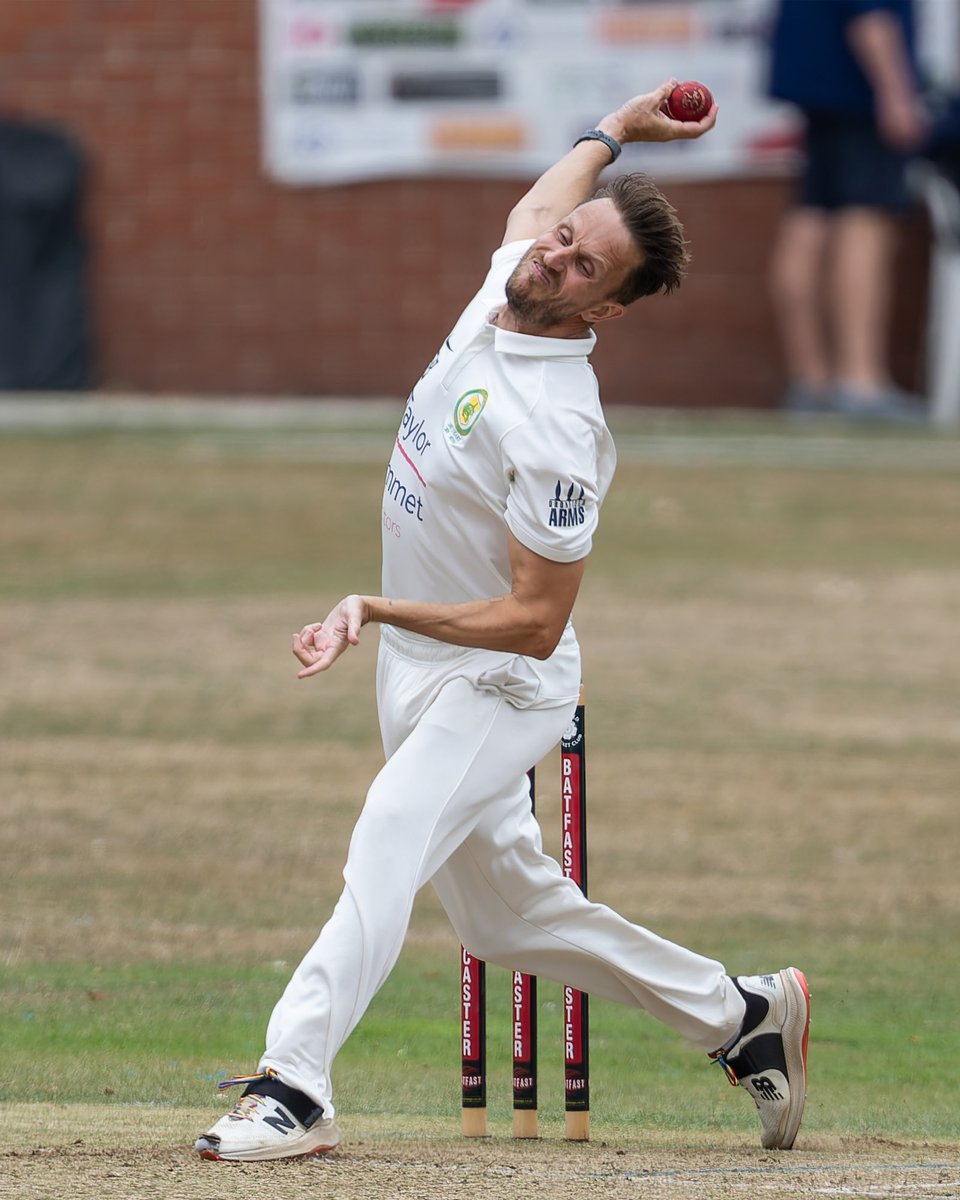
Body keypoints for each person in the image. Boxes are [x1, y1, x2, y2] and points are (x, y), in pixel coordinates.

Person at [196, 80, 810, 1164]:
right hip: (422, 667)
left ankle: (294, 1084)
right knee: (502, 918)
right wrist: (616, 127)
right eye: (562, 242)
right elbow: (546, 204)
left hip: (503, 682)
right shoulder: (513, 273)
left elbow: (534, 623)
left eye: (582, 268)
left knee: (389, 834)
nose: (552, 261)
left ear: (604, 311)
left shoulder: (560, 427)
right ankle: (740, 1016)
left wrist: (378, 607)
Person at [767, 0, 929, 421]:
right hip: (857, 89)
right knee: (866, 221)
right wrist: (896, 91)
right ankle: (860, 381)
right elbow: (869, 10)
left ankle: (811, 381)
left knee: (813, 215)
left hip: (820, 83)